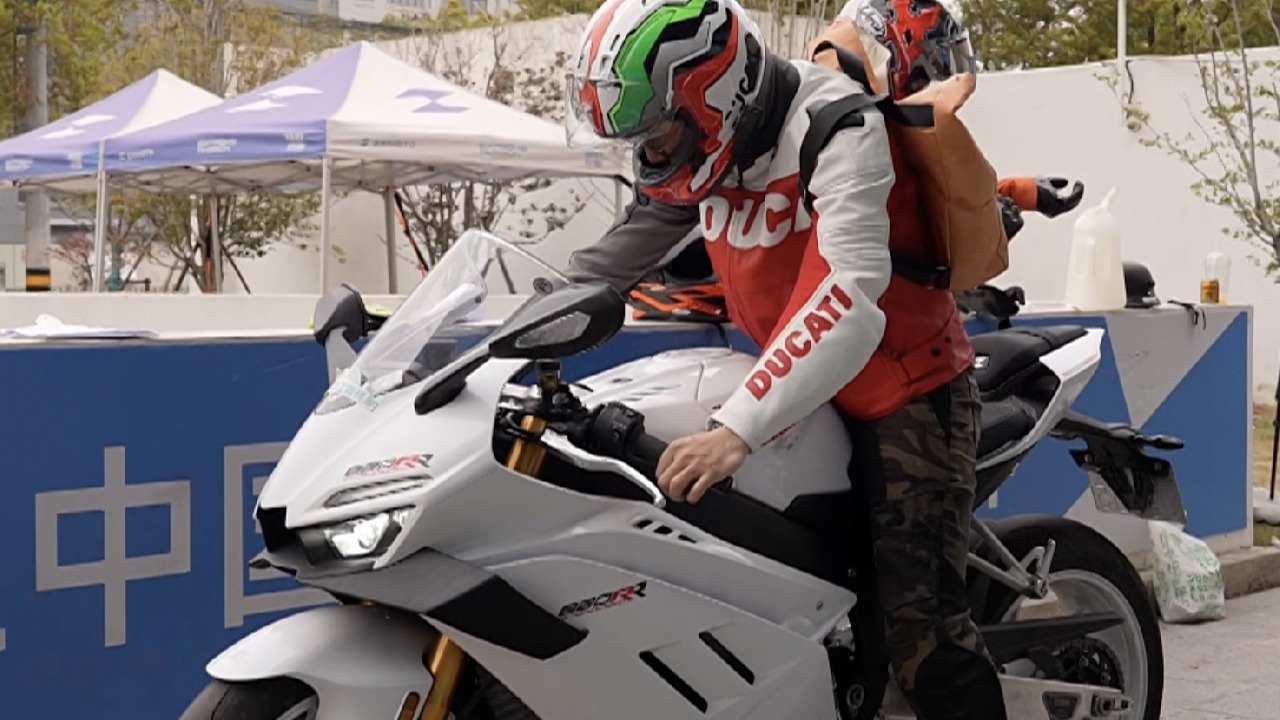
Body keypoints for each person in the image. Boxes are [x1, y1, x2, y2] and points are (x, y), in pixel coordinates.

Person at [563, 0, 1009, 718]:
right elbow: (601, 266)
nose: (652, 155)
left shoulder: (837, 126)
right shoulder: (702, 157)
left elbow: (848, 296)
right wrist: (508, 331)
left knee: (920, 634)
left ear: (715, 95)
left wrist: (734, 430)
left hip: (905, 390)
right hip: (802, 390)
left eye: (659, 134)